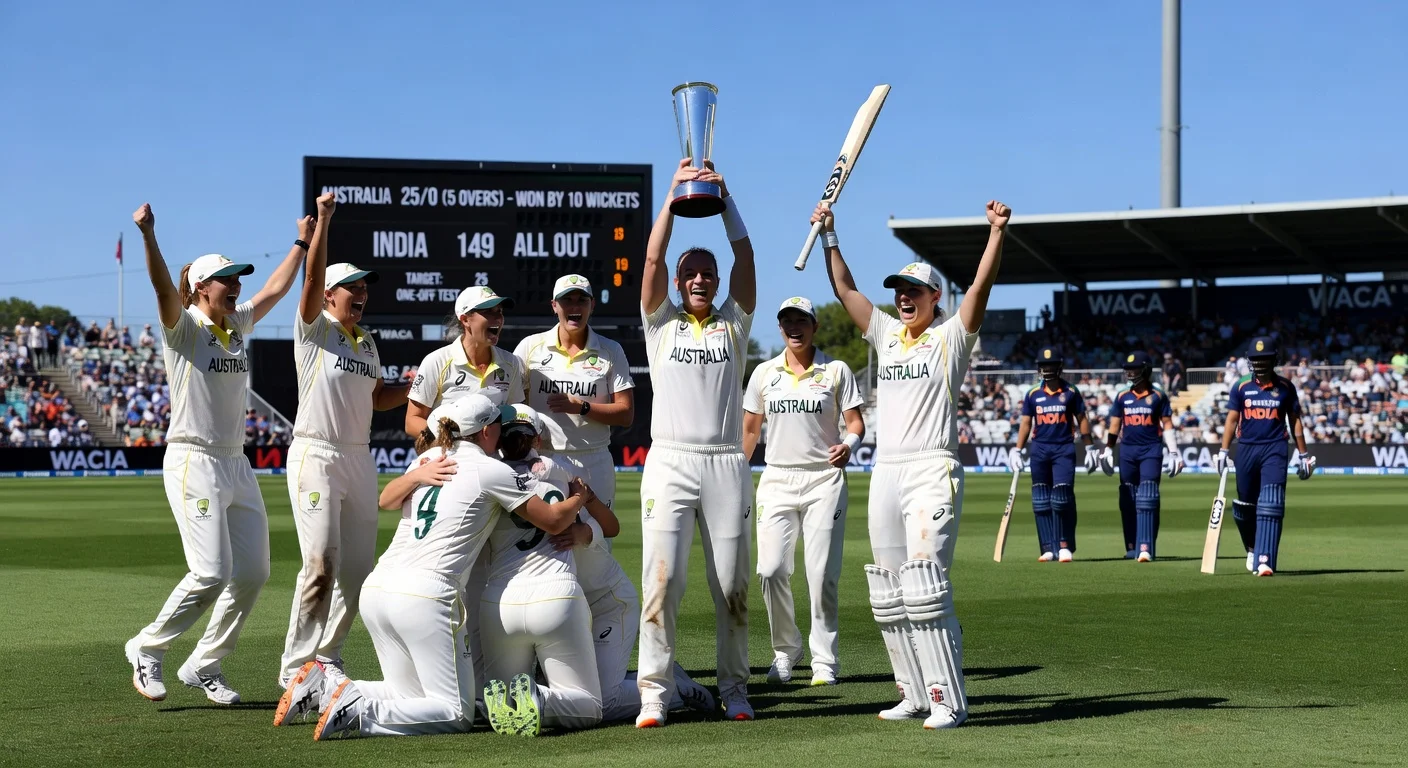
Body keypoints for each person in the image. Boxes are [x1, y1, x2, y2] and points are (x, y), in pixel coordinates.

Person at [286, 394, 588, 740]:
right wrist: (579, 496)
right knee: (456, 712)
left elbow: (385, 500)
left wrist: (417, 477)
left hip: (379, 588)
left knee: (410, 696)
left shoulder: (431, 457)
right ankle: (359, 710)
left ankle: (321, 688)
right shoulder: (493, 470)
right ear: (487, 432)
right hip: (425, 594)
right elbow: (551, 521)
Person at [818, 199, 1011, 730]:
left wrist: (995, 233)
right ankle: (912, 692)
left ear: (934, 297)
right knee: (890, 592)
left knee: (926, 585)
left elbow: (980, 291)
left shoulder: (950, 339)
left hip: (931, 468)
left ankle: (949, 699)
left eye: (913, 290)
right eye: (898, 291)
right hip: (887, 470)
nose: (903, 297)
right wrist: (830, 236)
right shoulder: (885, 336)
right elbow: (846, 291)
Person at [123, 202, 306, 704]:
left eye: (236, 277)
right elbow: (164, 288)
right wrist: (149, 234)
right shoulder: (183, 327)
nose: (237, 285)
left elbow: (274, 290)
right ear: (202, 287)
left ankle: (205, 661)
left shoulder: (237, 325)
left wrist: (302, 242)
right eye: (226, 279)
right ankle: (146, 646)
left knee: (254, 572)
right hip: (192, 458)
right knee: (211, 572)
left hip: (236, 461)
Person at [635, 158, 756, 727]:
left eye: (708, 272)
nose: (702, 280)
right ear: (681, 284)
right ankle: (654, 692)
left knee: (732, 584)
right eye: (693, 274)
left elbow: (747, 259)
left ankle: (735, 689)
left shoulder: (734, 323)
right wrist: (674, 198)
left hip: (726, 463)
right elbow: (654, 258)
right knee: (662, 581)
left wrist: (725, 199)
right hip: (671, 462)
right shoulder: (660, 324)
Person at [278, 193, 411, 689]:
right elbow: (309, 279)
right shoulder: (314, 330)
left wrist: (418, 389)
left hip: (359, 457)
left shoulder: (368, 340)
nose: (360, 294)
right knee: (320, 563)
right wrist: (323, 224)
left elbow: (378, 398)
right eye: (350, 287)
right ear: (330, 295)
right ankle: (295, 670)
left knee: (357, 573)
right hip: (316, 451)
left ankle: (326, 659)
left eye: (363, 288)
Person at [741, 296, 864, 686]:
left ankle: (824, 659)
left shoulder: (836, 369)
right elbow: (749, 431)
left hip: (824, 479)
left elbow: (855, 423)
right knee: (770, 569)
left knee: (822, 573)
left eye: (802, 321)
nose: (794, 327)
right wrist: (734, 473)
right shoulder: (763, 373)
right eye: (787, 321)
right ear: (780, 328)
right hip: (776, 478)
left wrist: (850, 445)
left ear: (814, 326)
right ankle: (786, 650)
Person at [478, 405, 609, 736]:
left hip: (500, 602)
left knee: (506, 705)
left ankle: (513, 698)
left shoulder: (486, 474)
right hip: (556, 595)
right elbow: (611, 525)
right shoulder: (563, 471)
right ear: (537, 437)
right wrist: (580, 503)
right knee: (590, 707)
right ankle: (539, 697)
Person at [513, 274, 635, 511]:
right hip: (542, 457)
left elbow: (626, 413)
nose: (575, 307)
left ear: (592, 305)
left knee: (595, 540)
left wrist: (581, 407)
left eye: (582, 300)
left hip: (594, 459)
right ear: (554, 306)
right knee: (547, 543)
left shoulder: (611, 350)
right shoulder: (530, 347)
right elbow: (512, 400)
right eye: (567, 300)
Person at [1214, 337, 1313, 576]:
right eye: (1255, 360)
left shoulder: (1286, 388)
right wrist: (1223, 450)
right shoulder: (1241, 386)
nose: (1259, 364)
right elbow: (1231, 421)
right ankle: (1252, 548)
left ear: (1274, 360)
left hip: (1275, 448)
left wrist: (1304, 454)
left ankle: (1265, 560)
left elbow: (1295, 421)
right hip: (1246, 448)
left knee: (1271, 502)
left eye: (1264, 359)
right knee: (1245, 506)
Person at [1009, 347, 1097, 563]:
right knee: (1040, 500)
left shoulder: (1071, 392)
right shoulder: (1033, 394)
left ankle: (1065, 544)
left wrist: (1090, 447)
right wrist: (1018, 449)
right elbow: (1026, 423)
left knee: (1062, 498)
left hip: (1063, 449)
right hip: (1039, 449)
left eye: (1050, 365)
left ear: (1059, 367)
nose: (1046, 370)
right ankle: (1048, 547)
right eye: (1043, 366)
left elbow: (1082, 418)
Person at [1097, 351, 1185, 561]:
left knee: (1148, 496)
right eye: (1128, 369)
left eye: (1134, 368)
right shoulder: (1122, 396)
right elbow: (1115, 425)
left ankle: (1146, 545)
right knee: (1127, 499)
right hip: (1127, 451)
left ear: (1144, 369)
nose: (1130, 373)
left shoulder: (1158, 395)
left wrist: (1174, 452)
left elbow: (1168, 424)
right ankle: (1131, 545)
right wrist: (1108, 449)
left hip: (1151, 451)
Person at [406, 285, 524, 437]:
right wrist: (450, 442)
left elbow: (515, 415)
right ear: (465, 319)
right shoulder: (436, 361)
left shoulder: (510, 362)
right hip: (450, 458)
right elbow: (412, 421)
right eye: (488, 312)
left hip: (494, 460)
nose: (497, 318)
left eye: (499, 311)